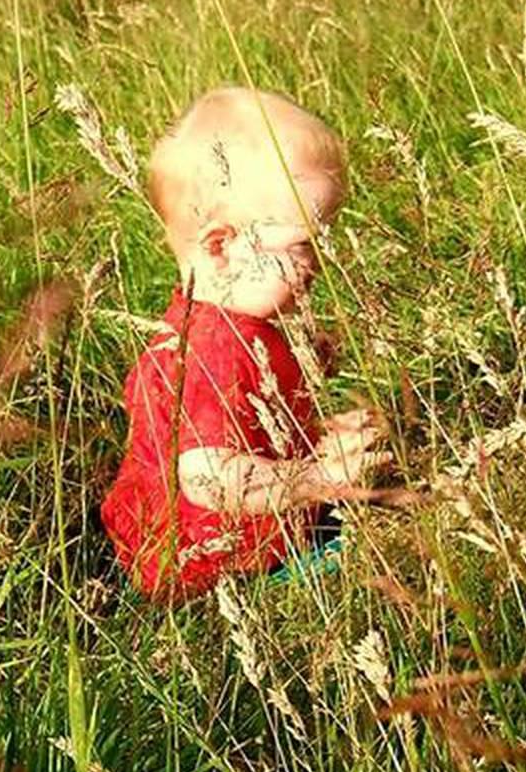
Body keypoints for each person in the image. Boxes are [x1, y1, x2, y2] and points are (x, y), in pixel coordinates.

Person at [100, 87, 387, 599]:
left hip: (247, 526)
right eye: (302, 245)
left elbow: (250, 421)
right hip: (211, 560)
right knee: (382, 551)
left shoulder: (242, 322)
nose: (319, 263)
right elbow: (211, 480)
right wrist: (320, 477)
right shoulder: (212, 352)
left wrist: (314, 418)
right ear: (221, 246)